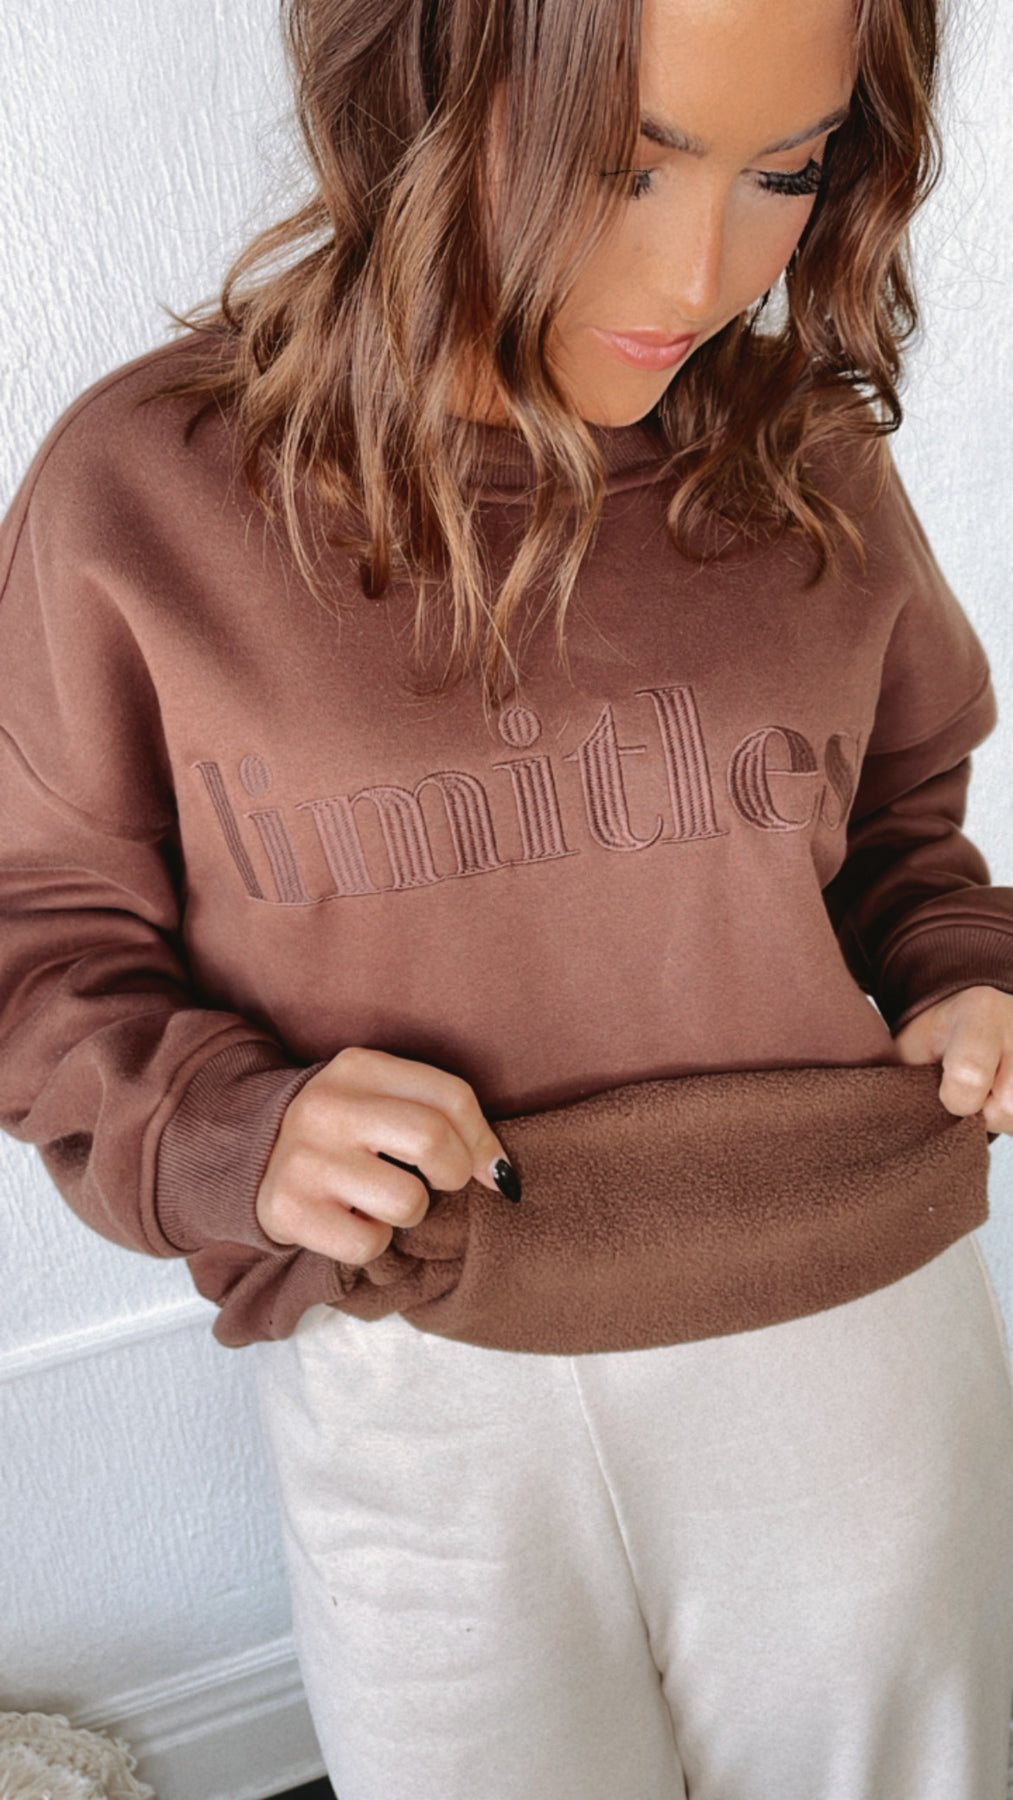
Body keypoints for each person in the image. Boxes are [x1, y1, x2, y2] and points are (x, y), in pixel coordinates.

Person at [2, 0, 1013, 1793]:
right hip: (418, 1364)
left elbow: (896, 823)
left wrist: (960, 971)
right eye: (624, 166)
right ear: (419, 89)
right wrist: (233, 1130)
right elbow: (39, 930)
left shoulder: (801, 455)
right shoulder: (148, 490)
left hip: (846, 1315)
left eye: (786, 173)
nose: (702, 272)